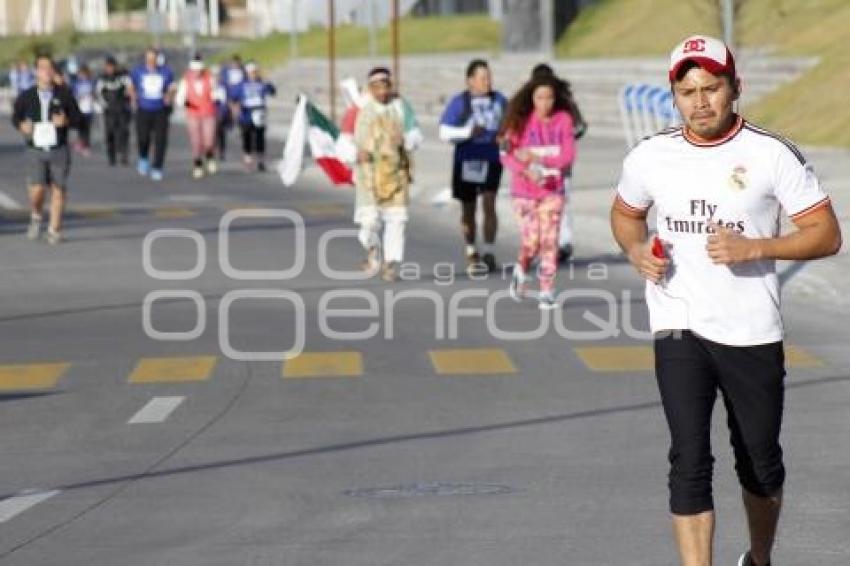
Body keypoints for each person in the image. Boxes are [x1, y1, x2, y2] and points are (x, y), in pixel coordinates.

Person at [610, 35, 842, 566]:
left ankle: (759, 558)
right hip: (678, 323)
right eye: (687, 90)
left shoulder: (769, 153)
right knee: (688, 460)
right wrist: (635, 248)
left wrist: (757, 246)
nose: (700, 101)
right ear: (673, 95)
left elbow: (826, 233)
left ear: (735, 87)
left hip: (750, 329)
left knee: (759, 463)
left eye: (711, 88)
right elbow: (625, 214)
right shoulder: (650, 155)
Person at [500, 76, 576, 310]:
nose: (545, 103)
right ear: (531, 99)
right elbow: (505, 155)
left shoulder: (563, 121)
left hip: (553, 190)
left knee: (550, 241)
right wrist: (525, 171)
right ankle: (521, 269)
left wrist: (538, 158)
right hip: (524, 193)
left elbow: (568, 156)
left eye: (550, 98)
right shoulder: (518, 122)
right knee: (532, 242)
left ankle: (546, 291)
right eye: (540, 97)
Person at [439, 59, 507, 275]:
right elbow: (444, 132)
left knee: (489, 203)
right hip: (467, 160)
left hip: (492, 159)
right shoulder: (460, 102)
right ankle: (471, 250)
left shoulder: (500, 101)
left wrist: (506, 140)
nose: (487, 81)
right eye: (482, 77)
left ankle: (489, 252)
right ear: (470, 81)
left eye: (489, 76)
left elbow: (512, 126)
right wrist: (468, 133)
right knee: (468, 209)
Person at [353, 67, 421, 282]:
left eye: (386, 86)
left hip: (396, 172)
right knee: (370, 221)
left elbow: (416, 133)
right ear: (370, 88)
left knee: (396, 220)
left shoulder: (401, 106)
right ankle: (373, 249)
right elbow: (345, 136)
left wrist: (406, 140)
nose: (382, 92)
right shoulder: (359, 107)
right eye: (377, 87)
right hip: (369, 174)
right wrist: (355, 153)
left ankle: (390, 264)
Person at [11, 54, 82, 245]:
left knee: (58, 190)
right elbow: (15, 117)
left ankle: (54, 229)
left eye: (50, 68)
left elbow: (79, 119)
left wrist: (66, 121)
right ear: (36, 72)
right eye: (42, 68)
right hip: (35, 150)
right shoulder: (26, 96)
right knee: (37, 191)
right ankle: (36, 214)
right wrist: (21, 126)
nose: (47, 72)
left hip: (58, 149)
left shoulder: (64, 95)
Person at [530, 63, 587, 263]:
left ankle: (559, 242)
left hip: (553, 162)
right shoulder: (535, 102)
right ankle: (558, 241)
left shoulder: (563, 101)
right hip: (543, 162)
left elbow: (579, 127)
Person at [129, 47, 175, 181]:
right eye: (148, 58)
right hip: (143, 109)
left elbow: (172, 87)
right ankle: (143, 157)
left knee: (161, 140)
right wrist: (133, 96)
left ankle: (157, 167)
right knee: (143, 138)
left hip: (160, 110)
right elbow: (131, 86)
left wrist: (169, 96)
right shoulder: (138, 71)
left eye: (153, 58)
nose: (151, 61)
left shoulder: (166, 72)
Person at [175, 53, 219, 178]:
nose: (197, 73)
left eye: (199, 70)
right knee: (196, 141)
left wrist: (216, 100)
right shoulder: (186, 80)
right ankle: (198, 164)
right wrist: (187, 104)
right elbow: (180, 98)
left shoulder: (209, 78)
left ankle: (210, 155)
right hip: (193, 114)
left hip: (208, 112)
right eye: (194, 70)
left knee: (209, 139)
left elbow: (217, 93)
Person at [234, 60, 276, 172]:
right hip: (246, 113)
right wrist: (236, 111)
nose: (253, 74)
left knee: (259, 137)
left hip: (259, 112)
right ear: (247, 73)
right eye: (251, 72)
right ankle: (248, 158)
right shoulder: (242, 84)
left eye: (255, 72)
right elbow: (234, 97)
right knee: (247, 137)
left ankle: (261, 160)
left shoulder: (262, 83)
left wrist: (268, 82)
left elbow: (272, 91)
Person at [96, 55, 132, 166]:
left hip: (122, 109)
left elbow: (130, 88)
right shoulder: (102, 79)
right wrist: (103, 105)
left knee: (123, 133)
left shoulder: (123, 77)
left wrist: (129, 100)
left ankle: (124, 156)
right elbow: (98, 93)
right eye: (108, 67)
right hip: (109, 111)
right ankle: (111, 157)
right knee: (109, 134)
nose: (110, 69)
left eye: (112, 67)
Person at [218, 54, 245, 160]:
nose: (235, 65)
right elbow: (222, 86)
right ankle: (221, 150)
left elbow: (244, 87)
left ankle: (245, 151)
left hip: (239, 102)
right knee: (220, 126)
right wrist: (229, 102)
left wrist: (239, 102)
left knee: (243, 125)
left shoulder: (243, 73)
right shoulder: (225, 73)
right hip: (226, 102)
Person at [70, 63, 95, 155]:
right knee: (80, 128)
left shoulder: (91, 83)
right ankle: (81, 144)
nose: (82, 75)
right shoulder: (76, 84)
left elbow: (94, 94)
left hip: (89, 109)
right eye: (80, 74)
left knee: (87, 129)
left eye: (84, 73)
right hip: (79, 109)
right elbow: (73, 95)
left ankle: (86, 145)